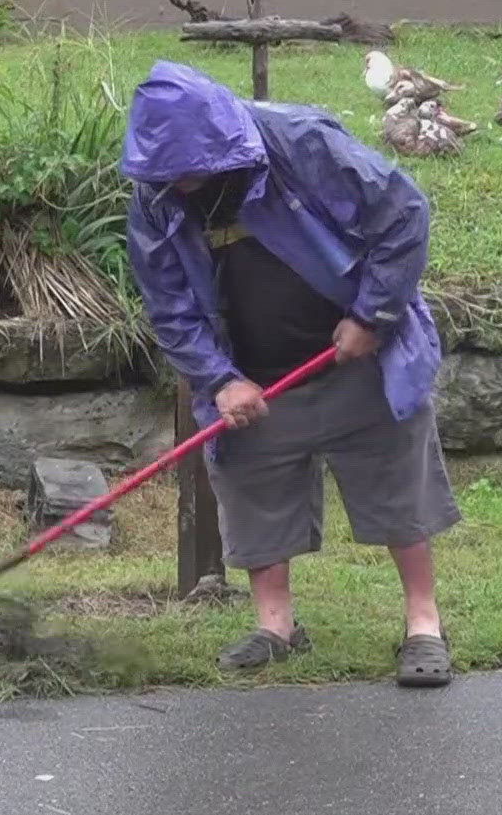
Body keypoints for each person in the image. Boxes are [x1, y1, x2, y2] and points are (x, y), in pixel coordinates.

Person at [120, 61, 462, 687]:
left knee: (398, 486)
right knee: (255, 490)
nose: (182, 184)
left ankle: (424, 625)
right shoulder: (157, 194)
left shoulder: (301, 141)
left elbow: (404, 213)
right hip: (252, 374)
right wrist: (219, 379)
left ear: (216, 139)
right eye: (167, 174)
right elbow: (169, 304)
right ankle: (275, 626)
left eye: (189, 169)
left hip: (356, 352)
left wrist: (374, 315)